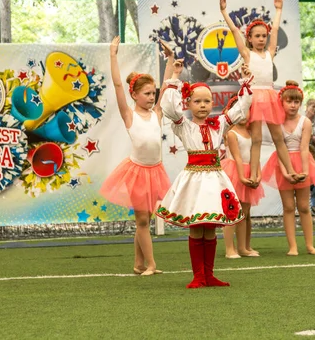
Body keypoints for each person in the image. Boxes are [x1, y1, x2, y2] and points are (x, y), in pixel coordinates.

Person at [156, 59, 254, 288]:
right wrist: (175, 78)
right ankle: (198, 275)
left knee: (211, 228)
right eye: (197, 101)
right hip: (194, 179)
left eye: (207, 101)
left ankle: (209, 275)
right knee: (196, 226)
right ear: (188, 103)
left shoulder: (219, 123)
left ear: (212, 103)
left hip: (214, 179)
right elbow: (169, 108)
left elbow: (241, 108)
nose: (202, 105)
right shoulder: (183, 125)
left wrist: (247, 83)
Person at [99, 37, 172, 276]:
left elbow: (168, 84)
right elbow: (119, 86)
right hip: (137, 172)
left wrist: (170, 59)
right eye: (147, 94)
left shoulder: (158, 113)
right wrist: (112, 54)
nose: (152, 98)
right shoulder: (129, 115)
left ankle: (138, 264)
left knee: (145, 221)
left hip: (155, 170)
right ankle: (151, 264)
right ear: (135, 95)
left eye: (153, 93)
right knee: (142, 221)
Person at [220, 0, 297, 187]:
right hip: (254, 97)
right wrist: (224, 12)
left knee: (278, 137)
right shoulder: (248, 55)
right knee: (256, 138)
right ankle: (255, 174)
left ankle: (290, 170)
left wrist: (279, 9)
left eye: (264, 36)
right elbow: (235, 32)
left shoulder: (270, 53)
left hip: (269, 97)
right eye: (257, 36)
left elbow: (276, 29)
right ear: (250, 39)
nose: (262, 39)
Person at [262, 81, 315, 256]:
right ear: (282, 102)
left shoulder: (305, 122)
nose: (293, 105)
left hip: (302, 162)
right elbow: (279, 147)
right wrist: (286, 172)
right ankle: (293, 247)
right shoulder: (277, 123)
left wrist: (304, 171)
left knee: (304, 206)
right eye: (289, 101)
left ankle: (310, 245)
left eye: (296, 102)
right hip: (282, 163)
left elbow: (304, 148)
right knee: (288, 206)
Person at [221, 95, 264, 259]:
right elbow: (237, 157)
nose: (243, 115)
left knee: (245, 213)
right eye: (240, 112)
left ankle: (244, 247)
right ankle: (229, 249)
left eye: (247, 111)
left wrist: (257, 174)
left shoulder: (251, 133)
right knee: (233, 212)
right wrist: (241, 177)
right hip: (235, 172)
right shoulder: (232, 133)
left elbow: (255, 156)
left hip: (248, 171)